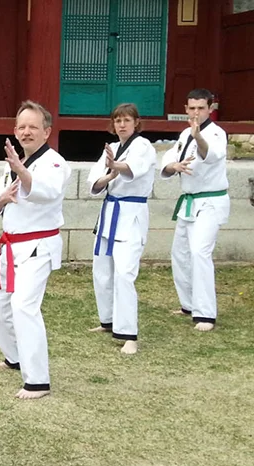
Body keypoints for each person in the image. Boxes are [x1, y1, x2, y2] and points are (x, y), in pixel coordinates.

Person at [0, 100, 72, 400]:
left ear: (46, 132)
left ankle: (38, 380)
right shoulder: (14, 164)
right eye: (21, 127)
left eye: (33, 127)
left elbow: (46, 191)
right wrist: (3, 198)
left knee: (24, 306)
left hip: (37, 246)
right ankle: (15, 357)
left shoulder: (55, 163)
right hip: (11, 246)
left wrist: (20, 171)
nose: (26, 132)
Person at [87, 103, 157, 355]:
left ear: (136, 122)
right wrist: (105, 177)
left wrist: (115, 167)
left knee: (125, 273)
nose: (122, 125)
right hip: (109, 213)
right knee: (102, 269)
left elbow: (133, 169)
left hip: (132, 213)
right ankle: (107, 320)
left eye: (127, 120)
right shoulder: (112, 148)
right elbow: (94, 179)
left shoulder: (143, 146)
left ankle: (129, 334)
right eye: (118, 120)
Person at [160, 88, 228, 332]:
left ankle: (206, 314)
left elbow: (211, 155)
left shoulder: (216, 133)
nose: (196, 112)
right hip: (189, 202)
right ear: (185, 109)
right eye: (192, 108)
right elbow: (169, 160)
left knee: (200, 253)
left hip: (210, 202)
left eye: (201, 108)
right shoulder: (184, 133)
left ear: (211, 108)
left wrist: (199, 137)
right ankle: (188, 304)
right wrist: (173, 166)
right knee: (180, 254)